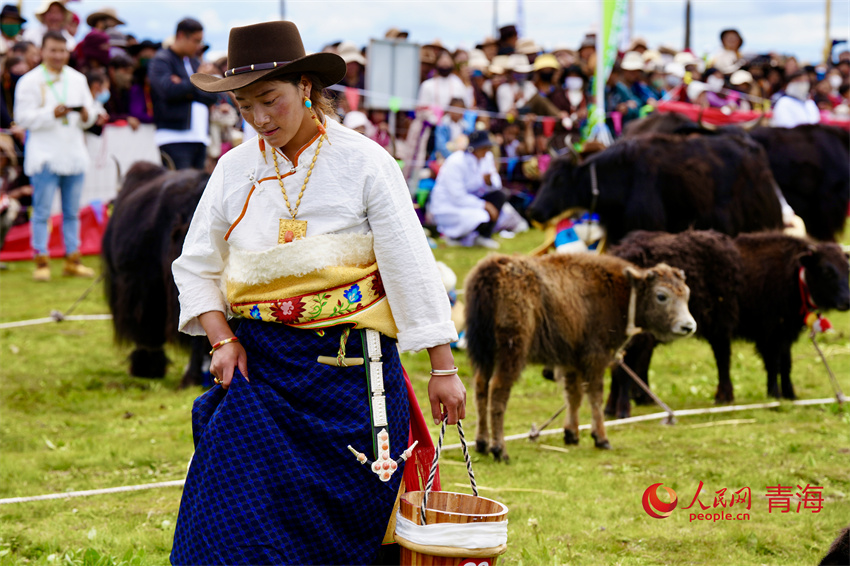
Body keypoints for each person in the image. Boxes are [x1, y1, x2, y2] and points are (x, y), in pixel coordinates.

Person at [169, 20, 464, 564]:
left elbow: (409, 263)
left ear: (305, 87)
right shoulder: (235, 169)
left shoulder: (365, 161)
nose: (258, 119)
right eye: (244, 105)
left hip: (349, 379)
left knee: (345, 534)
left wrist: (443, 368)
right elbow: (196, 266)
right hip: (260, 375)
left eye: (270, 100)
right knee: (220, 531)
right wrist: (219, 338)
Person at [14, 30, 96, 280]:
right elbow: (22, 118)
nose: (58, 55)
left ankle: (73, 258)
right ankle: (41, 260)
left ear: (68, 52)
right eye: (53, 50)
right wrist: (52, 113)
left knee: (72, 211)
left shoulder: (78, 79)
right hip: (44, 155)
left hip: (73, 153)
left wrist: (86, 116)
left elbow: (90, 114)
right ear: (42, 51)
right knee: (42, 211)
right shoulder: (29, 81)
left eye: (62, 50)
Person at [148, 17, 217, 170]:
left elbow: (212, 94)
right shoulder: (161, 60)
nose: (199, 46)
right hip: (173, 137)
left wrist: (185, 85)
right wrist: (196, 81)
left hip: (200, 137)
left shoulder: (194, 62)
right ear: (180, 36)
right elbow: (168, 90)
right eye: (195, 40)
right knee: (178, 191)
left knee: (197, 191)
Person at [429, 130, 505, 249]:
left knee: (499, 195)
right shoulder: (456, 162)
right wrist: (484, 205)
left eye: (488, 147)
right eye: (484, 147)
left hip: (472, 200)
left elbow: (497, 183)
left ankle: (484, 236)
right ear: (475, 148)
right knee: (480, 217)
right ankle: (455, 237)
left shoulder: (487, 158)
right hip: (450, 206)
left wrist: (489, 182)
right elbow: (457, 197)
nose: (486, 150)